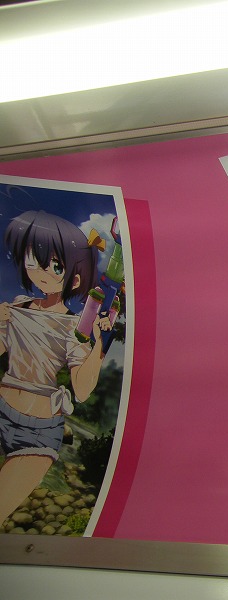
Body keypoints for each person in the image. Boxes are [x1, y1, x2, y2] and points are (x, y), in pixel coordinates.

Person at [0, 210, 110, 524]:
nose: (39, 270)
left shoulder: (76, 328)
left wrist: (98, 345)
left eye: (55, 265)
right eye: (32, 259)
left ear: (74, 278)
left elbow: (83, 391)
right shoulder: (17, 307)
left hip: (39, 432)